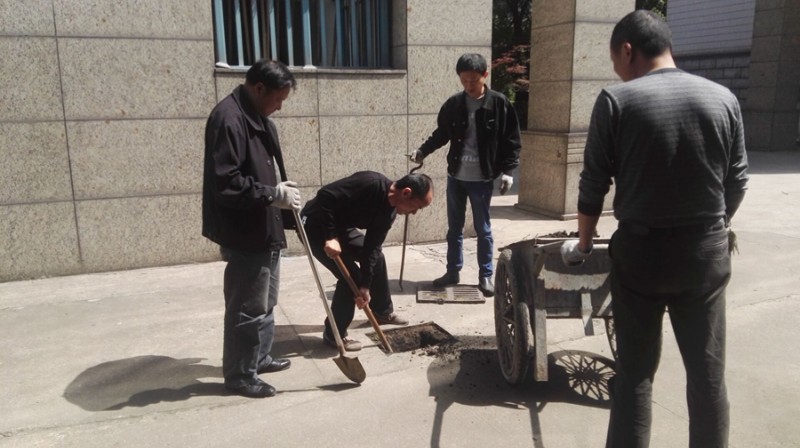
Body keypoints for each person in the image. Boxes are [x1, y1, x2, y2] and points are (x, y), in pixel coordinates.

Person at [560, 11, 749, 447]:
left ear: (628, 51)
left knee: (635, 374)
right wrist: (714, 226)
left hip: (641, 257)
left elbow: (592, 187)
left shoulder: (617, 100)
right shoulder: (723, 98)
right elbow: (737, 181)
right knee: (707, 377)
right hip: (705, 256)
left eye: (616, 62)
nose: (618, 74)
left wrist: (585, 244)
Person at [202, 59, 302, 399]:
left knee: (266, 300)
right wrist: (272, 193)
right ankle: (241, 375)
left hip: (266, 225)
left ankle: (259, 357)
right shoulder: (228, 118)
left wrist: (279, 193)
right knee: (247, 305)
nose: (279, 106)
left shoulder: (258, 116)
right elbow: (225, 182)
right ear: (258, 88)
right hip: (245, 230)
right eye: (278, 99)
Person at [411, 53, 521, 297]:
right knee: (454, 228)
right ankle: (453, 271)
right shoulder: (454, 104)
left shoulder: (499, 104)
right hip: (456, 176)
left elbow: (511, 140)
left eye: (473, 80)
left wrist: (508, 172)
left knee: (483, 228)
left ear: (484, 75)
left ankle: (486, 275)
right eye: (464, 81)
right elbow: (441, 134)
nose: (469, 85)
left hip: (482, 178)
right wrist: (422, 151)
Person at [301, 171, 434, 351]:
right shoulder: (369, 183)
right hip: (315, 224)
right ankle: (334, 334)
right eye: (417, 207)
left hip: (342, 227)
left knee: (376, 259)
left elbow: (372, 248)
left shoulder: (389, 213)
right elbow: (325, 196)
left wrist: (365, 285)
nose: (415, 213)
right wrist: (331, 237)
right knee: (350, 278)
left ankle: (381, 311)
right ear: (406, 193)